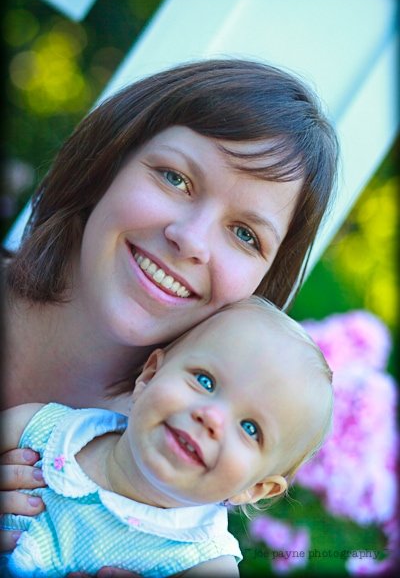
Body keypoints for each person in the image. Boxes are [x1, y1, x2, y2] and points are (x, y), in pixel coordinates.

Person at [1, 58, 339, 567]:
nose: (191, 240)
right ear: (108, 161)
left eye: (245, 234)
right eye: (175, 178)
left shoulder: (173, 496)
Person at [1, 297, 333, 577]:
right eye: (205, 381)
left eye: (250, 429)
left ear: (256, 488)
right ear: (150, 375)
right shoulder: (43, 430)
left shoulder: (201, 561)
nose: (212, 418)